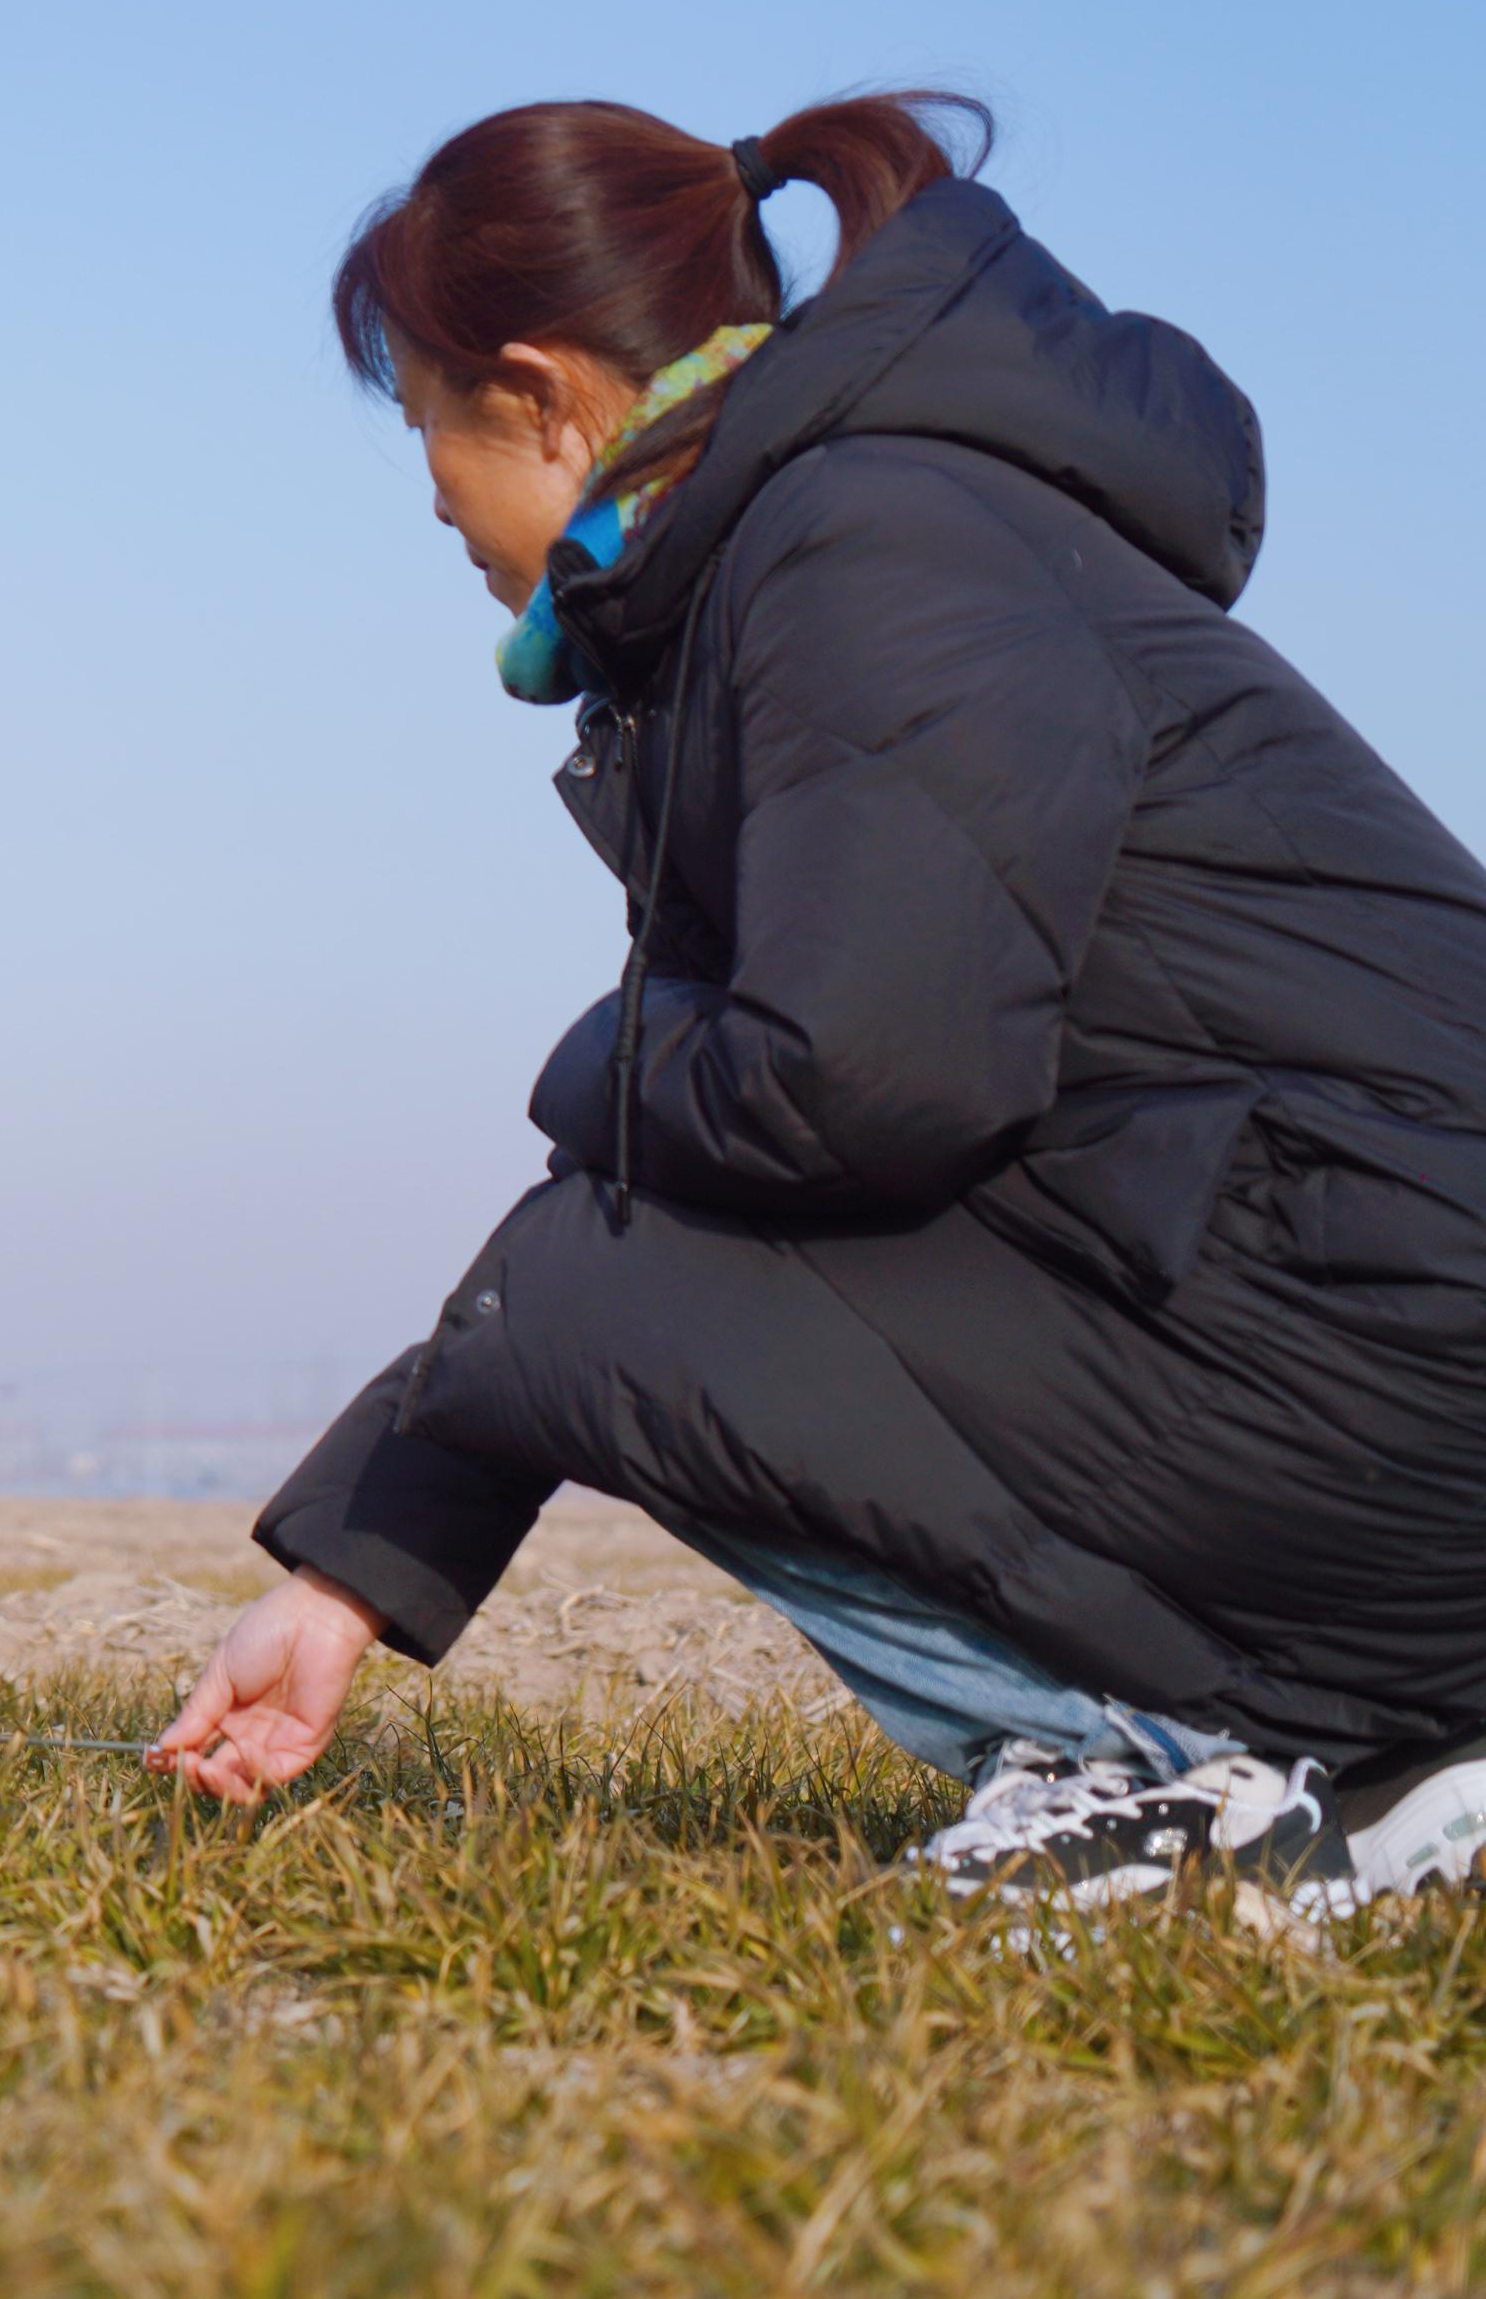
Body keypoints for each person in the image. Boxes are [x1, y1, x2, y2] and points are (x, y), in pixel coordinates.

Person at [153, 95, 1486, 1916]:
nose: (435, 495)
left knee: (601, 1284)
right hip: (1332, 1300)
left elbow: (862, 1082)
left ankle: (1183, 1772)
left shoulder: (869, 546)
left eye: (428, 424)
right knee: (601, 1264)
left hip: (1404, 1348)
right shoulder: (790, 554)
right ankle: (1345, 1760)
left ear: (542, 394)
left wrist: (591, 1066)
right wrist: (344, 1582)